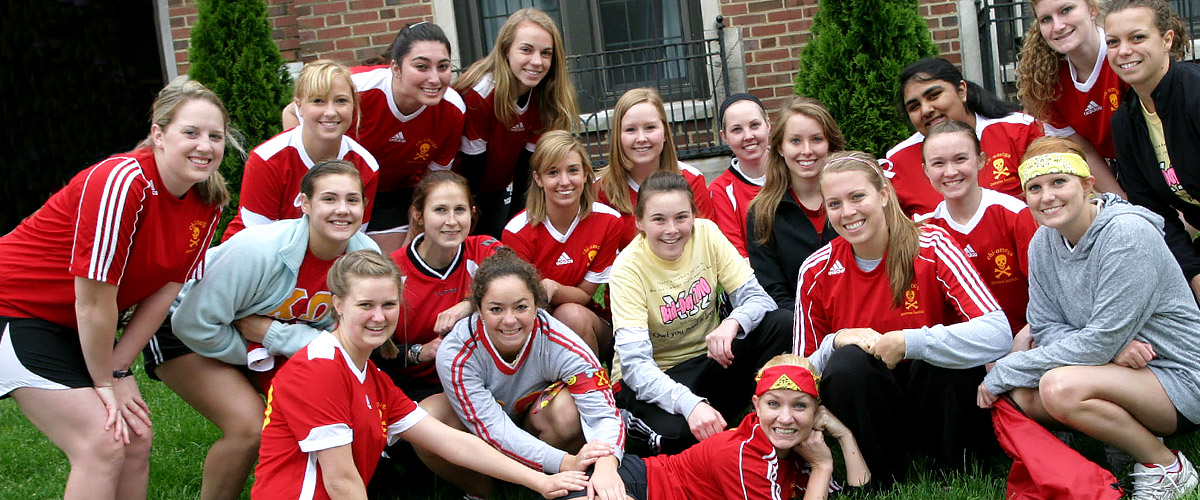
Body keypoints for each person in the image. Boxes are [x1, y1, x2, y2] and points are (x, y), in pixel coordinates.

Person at [0, 79, 232, 500]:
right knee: (101, 441)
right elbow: (92, 302)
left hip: (76, 325)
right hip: (16, 309)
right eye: (191, 132)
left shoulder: (209, 202)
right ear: (159, 135)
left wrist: (120, 368)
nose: (205, 145)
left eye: (215, 136)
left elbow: (164, 292)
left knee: (135, 436)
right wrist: (105, 380)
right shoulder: (124, 181)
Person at [252, 250, 589, 500]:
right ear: (338, 305)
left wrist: (542, 480)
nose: (379, 317)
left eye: (389, 304)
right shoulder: (319, 368)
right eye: (365, 305)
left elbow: (451, 442)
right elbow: (341, 482)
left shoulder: (371, 376)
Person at [979, 141, 1200, 500]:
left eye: (1059, 182)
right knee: (1023, 391)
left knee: (1058, 387)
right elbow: (1045, 325)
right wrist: (1109, 349)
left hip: (1177, 373)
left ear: (1087, 184)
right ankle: (1120, 443)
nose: (1047, 196)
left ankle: (1165, 466)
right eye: (1035, 188)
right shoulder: (1042, 243)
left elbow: (1099, 340)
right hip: (1117, 365)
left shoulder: (1126, 234)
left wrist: (1009, 366)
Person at [146, 161, 378, 500]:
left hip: (269, 337)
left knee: (331, 407)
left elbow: (348, 344)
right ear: (304, 203)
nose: (342, 210)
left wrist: (271, 338)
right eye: (329, 199)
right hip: (185, 329)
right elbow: (192, 322)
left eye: (352, 200)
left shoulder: (363, 258)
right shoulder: (258, 249)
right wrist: (254, 352)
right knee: (249, 426)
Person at [795, 151, 1010, 485]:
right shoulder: (815, 270)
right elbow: (797, 374)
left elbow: (998, 333)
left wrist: (914, 341)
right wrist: (834, 341)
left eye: (857, 197)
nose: (848, 212)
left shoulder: (932, 245)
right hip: (876, 412)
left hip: (941, 402)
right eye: (834, 204)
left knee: (937, 354)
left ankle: (955, 468)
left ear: (883, 194)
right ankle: (879, 472)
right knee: (847, 362)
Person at [609, 171, 792, 455]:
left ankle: (736, 412)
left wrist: (732, 323)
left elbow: (759, 299)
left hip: (709, 360)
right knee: (678, 437)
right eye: (659, 219)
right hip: (654, 376)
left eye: (682, 217)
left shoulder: (707, 234)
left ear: (694, 215)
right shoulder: (626, 269)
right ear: (640, 222)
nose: (672, 229)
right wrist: (688, 403)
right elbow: (635, 367)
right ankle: (649, 420)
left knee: (781, 323)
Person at [436, 247, 627, 499]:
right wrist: (564, 462)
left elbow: (603, 411)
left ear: (537, 305)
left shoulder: (559, 341)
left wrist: (606, 461)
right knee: (432, 418)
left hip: (536, 421)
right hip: (481, 434)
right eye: (496, 309)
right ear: (478, 309)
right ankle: (486, 492)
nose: (509, 320)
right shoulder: (456, 352)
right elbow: (494, 429)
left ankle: (542, 480)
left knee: (568, 411)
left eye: (521, 307)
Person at [562, 354, 871, 500]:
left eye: (800, 406)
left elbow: (862, 491)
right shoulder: (744, 454)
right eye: (774, 404)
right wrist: (821, 467)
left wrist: (843, 436)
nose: (786, 418)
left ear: (817, 411)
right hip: (629, 484)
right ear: (756, 405)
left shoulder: (798, 447)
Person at [284, 22, 466, 255]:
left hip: (395, 195)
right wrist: (310, 182)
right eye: (422, 66)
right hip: (339, 192)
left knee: (385, 265)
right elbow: (291, 113)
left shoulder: (452, 109)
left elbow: (434, 180)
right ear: (396, 68)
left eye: (443, 67)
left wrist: (418, 222)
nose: (434, 78)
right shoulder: (356, 87)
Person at [375, 170, 502, 497]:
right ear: (418, 214)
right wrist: (422, 351)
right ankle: (484, 491)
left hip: (486, 378)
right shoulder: (392, 271)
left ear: (472, 214)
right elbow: (374, 351)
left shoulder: (485, 250)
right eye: (440, 210)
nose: (451, 221)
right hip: (419, 386)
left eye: (460, 210)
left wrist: (468, 304)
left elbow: (528, 289)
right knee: (433, 434)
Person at [454, 7, 580, 238]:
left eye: (546, 53)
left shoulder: (544, 95)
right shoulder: (479, 95)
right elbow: (472, 171)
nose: (537, 61)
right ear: (505, 50)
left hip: (498, 189)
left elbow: (526, 169)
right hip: (462, 192)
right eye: (526, 50)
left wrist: (515, 225)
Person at [1106, 0, 1200, 304]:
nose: (1124, 51)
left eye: (1138, 37)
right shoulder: (1125, 123)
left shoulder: (1195, 94)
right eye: (1113, 42)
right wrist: (1194, 274)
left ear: (1167, 40)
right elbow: (1154, 215)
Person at [224, 60, 380, 241]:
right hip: (256, 256)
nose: (330, 112)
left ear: (354, 105)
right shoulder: (268, 159)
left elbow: (350, 237)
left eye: (341, 101)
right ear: (299, 106)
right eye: (318, 101)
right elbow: (258, 243)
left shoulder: (366, 166)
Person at [503, 131, 623, 360]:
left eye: (573, 170)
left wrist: (554, 288)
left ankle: (595, 391)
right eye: (553, 172)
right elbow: (521, 304)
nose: (565, 181)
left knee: (571, 315)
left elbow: (585, 295)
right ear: (538, 178)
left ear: (587, 173)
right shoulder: (517, 231)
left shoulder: (608, 221)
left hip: (591, 325)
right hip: (534, 327)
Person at [917, 120, 1038, 337]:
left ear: (981, 160)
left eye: (960, 159)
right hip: (963, 349)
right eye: (938, 164)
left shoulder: (1015, 214)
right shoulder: (925, 230)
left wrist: (1027, 335)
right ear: (925, 170)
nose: (950, 171)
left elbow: (1048, 293)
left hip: (1025, 337)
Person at [883, 57, 1044, 216]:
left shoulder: (1019, 130)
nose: (926, 110)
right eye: (914, 106)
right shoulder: (897, 162)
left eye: (934, 96)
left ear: (961, 91)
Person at [1015, 0, 1125, 196]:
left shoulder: (1124, 54)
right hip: (1117, 170)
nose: (1057, 26)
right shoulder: (1046, 82)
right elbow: (1085, 151)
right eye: (1046, 19)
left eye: (1066, 10)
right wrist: (1124, 205)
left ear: (1092, 9)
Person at [745, 97, 841, 311]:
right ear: (780, 147)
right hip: (797, 326)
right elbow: (772, 288)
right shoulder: (762, 213)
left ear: (830, 144)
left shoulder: (853, 203)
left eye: (816, 139)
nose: (806, 151)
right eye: (795, 141)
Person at [597, 88, 713, 247]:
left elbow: (703, 244)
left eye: (650, 127)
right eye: (630, 130)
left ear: (665, 132)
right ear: (618, 136)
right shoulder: (600, 189)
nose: (641, 138)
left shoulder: (692, 180)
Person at [708, 93, 771, 258]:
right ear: (724, 137)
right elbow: (737, 256)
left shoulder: (792, 170)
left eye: (755, 125)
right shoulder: (721, 190)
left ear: (768, 125)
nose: (748, 136)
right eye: (737, 129)